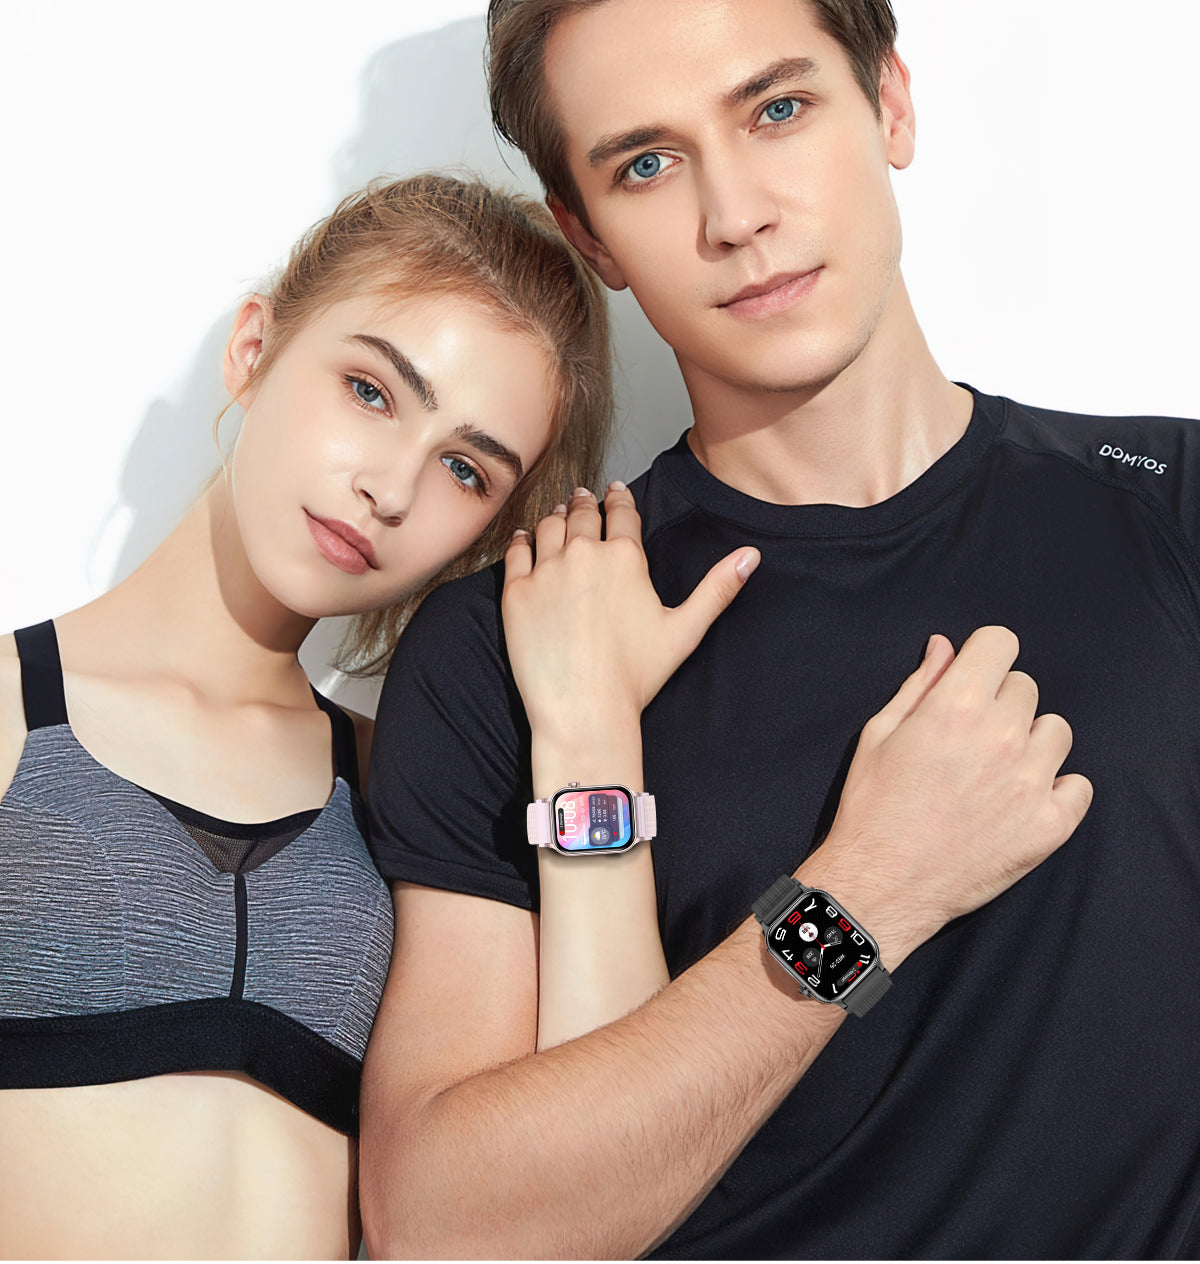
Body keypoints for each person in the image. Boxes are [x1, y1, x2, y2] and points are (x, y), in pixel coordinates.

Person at [359, 0, 1199, 1258]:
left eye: (778, 109)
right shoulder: (522, 636)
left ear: (891, 102)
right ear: (589, 237)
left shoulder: (1173, 510)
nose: (735, 214)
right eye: (649, 164)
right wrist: (861, 897)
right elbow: (445, 1230)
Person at [0, 173, 618, 1258]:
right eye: (371, 391)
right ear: (254, 348)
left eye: (465, 469)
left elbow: (598, 1158)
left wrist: (588, 728)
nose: (392, 488)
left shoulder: (408, 792)